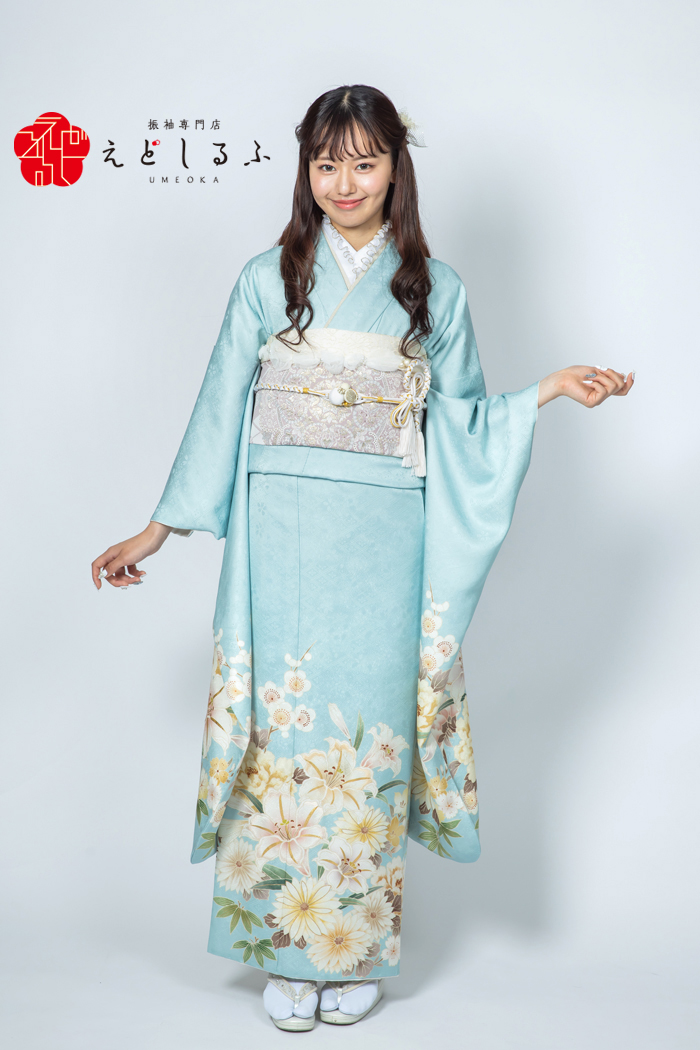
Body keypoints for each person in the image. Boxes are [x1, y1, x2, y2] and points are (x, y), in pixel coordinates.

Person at [91, 85, 633, 1031]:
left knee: (362, 739)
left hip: (385, 542)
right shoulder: (268, 278)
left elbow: (460, 424)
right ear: (306, 169)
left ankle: (349, 950)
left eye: (365, 162)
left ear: (396, 168)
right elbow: (221, 401)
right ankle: (282, 948)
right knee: (279, 733)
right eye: (326, 163)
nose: (345, 183)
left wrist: (543, 390)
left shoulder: (435, 288)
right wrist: (159, 528)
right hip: (280, 532)